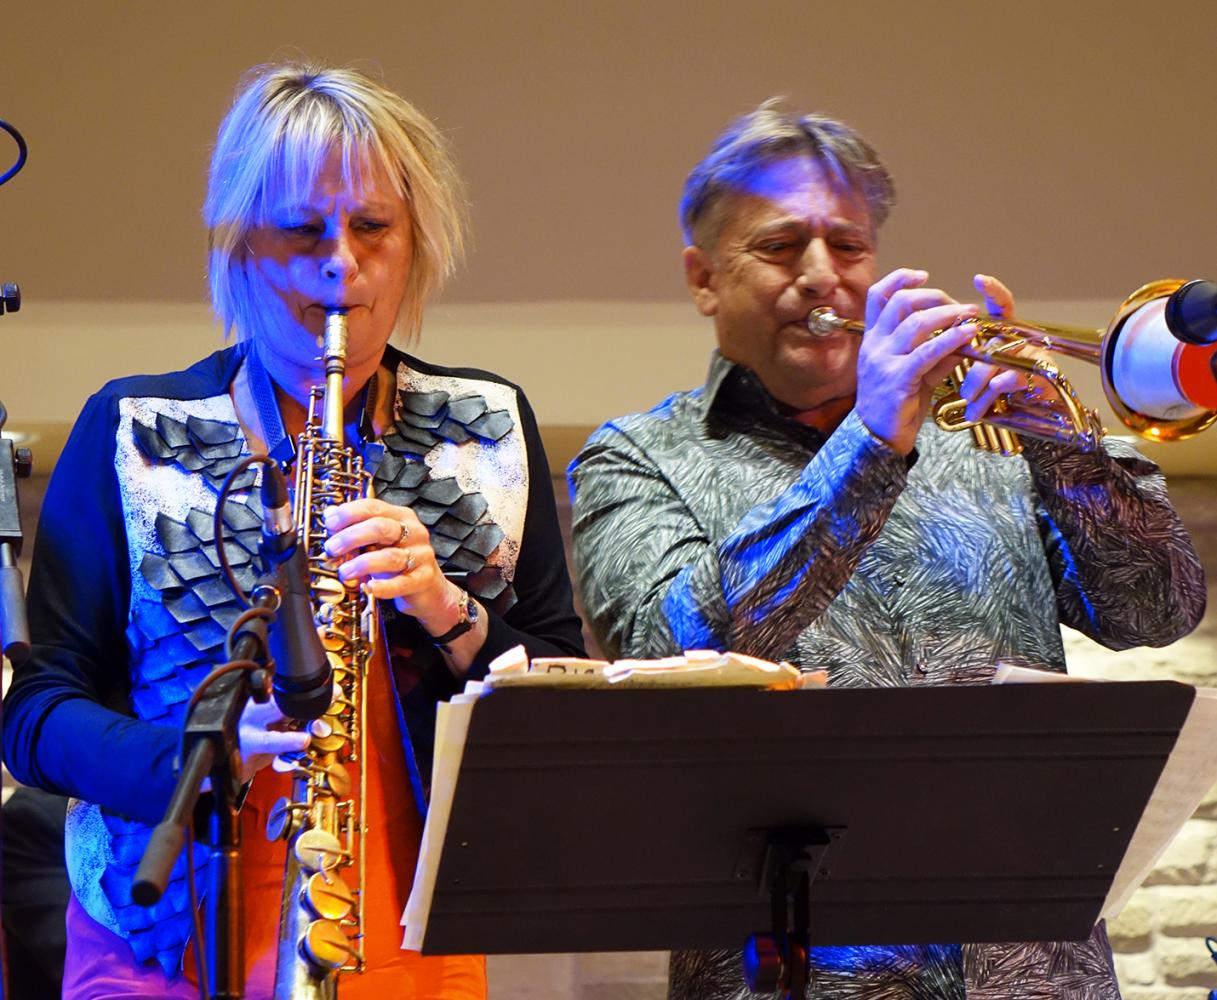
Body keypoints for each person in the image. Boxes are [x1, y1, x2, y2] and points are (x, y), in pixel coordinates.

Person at [567, 101, 1206, 999]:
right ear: (703, 276)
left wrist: (1063, 448)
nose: (823, 277)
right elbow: (664, 650)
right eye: (781, 247)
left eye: (849, 247)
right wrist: (867, 443)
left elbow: (1157, 612)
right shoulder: (636, 456)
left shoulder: (983, 434)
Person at [3, 63, 585, 999]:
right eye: (303, 229)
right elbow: (35, 717)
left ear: (415, 245)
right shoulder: (129, 429)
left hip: (412, 946)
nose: (340, 265)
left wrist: (445, 609)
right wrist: (197, 759)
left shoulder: (487, 425)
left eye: (371, 228)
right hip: (157, 950)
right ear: (239, 245)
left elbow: (562, 702)